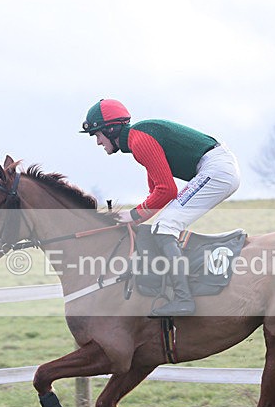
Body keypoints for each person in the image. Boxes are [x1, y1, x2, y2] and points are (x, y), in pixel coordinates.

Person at [80, 98, 241, 316]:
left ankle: (183, 300)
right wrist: (133, 219)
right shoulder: (138, 139)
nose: (98, 142)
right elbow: (156, 193)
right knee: (162, 224)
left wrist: (132, 215)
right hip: (218, 166)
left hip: (217, 169)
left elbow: (167, 191)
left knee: (165, 225)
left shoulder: (139, 141)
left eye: (97, 134)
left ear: (110, 129)